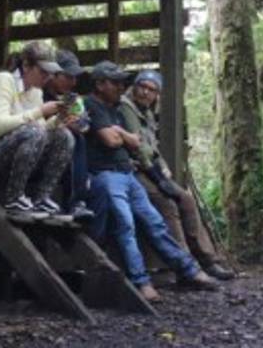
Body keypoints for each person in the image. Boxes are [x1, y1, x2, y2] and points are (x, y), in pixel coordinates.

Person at [83, 60, 216, 303]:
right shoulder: (92, 104)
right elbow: (112, 141)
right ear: (100, 84)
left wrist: (121, 134)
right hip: (107, 174)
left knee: (155, 222)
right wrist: (123, 136)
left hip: (126, 175)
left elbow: (135, 141)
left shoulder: (115, 108)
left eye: (123, 82)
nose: (121, 86)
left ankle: (189, 269)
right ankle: (141, 282)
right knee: (125, 224)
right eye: (115, 82)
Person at [120, 69, 235, 280]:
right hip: (133, 170)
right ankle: (186, 266)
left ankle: (209, 262)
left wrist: (163, 166)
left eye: (151, 90)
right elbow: (139, 150)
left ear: (156, 94)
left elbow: (152, 146)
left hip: (150, 170)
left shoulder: (146, 111)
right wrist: (159, 176)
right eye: (142, 87)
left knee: (187, 200)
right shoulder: (126, 107)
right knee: (168, 204)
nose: (146, 92)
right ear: (135, 87)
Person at [0, 41, 73, 221]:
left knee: (64, 136)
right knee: (33, 131)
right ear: (26, 65)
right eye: (42, 71)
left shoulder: (36, 92)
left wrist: (59, 119)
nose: (46, 78)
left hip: (8, 152)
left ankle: (42, 198)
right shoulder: (3, 80)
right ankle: (14, 199)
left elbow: (41, 132)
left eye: (49, 73)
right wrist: (40, 111)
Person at [41, 49, 95, 223]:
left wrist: (78, 123)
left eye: (75, 77)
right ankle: (75, 201)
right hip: (39, 151)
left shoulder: (71, 99)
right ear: (53, 74)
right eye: (68, 76)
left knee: (77, 137)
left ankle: (78, 200)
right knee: (70, 137)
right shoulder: (39, 95)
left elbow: (85, 126)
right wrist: (63, 123)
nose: (73, 82)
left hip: (63, 154)